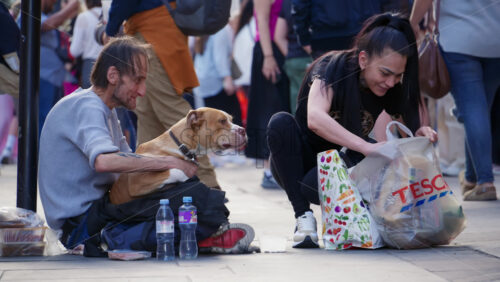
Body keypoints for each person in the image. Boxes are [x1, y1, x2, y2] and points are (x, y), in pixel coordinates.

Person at [38, 37, 255, 256]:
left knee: (188, 193)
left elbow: (131, 164)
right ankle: (200, 238)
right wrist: (171, 162)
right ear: (113, 76)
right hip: (83, 228)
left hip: (102, 212)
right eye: (138, 80)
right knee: (188, 200)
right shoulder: (87, 106)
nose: (142, 91)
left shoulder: (106, 110)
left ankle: (203, 234)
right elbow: (105, 161)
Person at [267, 13, 438, 248]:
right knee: (279, 123)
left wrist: (422, 132)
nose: (390, 82)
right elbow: (315, 118)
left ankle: (365, 217)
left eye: (398, 76)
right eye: (385, 73)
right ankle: (303, 218)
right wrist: (367, 147)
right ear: (363, 59)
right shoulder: (331, 67)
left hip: (333, 168)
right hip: (295, 161)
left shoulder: (392, 87)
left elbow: (412, 122)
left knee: (316, 181)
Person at [105, 0, 221, 190]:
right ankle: (145, 187)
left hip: (153, 35)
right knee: (148, 114)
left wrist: (110, 30)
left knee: (172, 112)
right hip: (156, 31)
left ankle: (208, 185)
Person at [411, 0, 500, 201]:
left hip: (458, 40)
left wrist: (413, 22)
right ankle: (471, 178)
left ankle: (485, 182)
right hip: (496, 42)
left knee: (472, 110)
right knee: (480, 109)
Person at [245, 0, 290, 189]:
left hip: (279, 50)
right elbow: (261, 21)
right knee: (269, 110)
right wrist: (268, 56)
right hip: (268, 51)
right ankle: (268, 171)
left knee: (281, 109)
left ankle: (277, 169)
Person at [69, 0, 102, 89]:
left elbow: (75, 51)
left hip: (90, 67)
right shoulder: (109, 15)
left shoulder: (84, 17)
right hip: (110, 65)